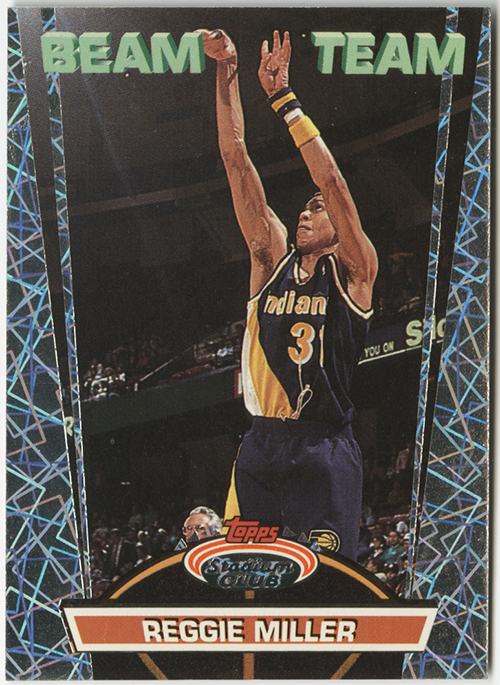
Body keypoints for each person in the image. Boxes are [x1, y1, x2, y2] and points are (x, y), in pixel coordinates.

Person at [199, 29, 378, 561]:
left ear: (339, 224)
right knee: (247, 577)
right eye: (304, 205)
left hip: (324, 445)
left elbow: (334, 183)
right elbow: (235, 159)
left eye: (316, 208)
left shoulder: (354, 272)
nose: (305, 210)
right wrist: (227, 72)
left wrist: (284, 100)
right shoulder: (269, 259)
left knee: (327, 580)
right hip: (260, 444)